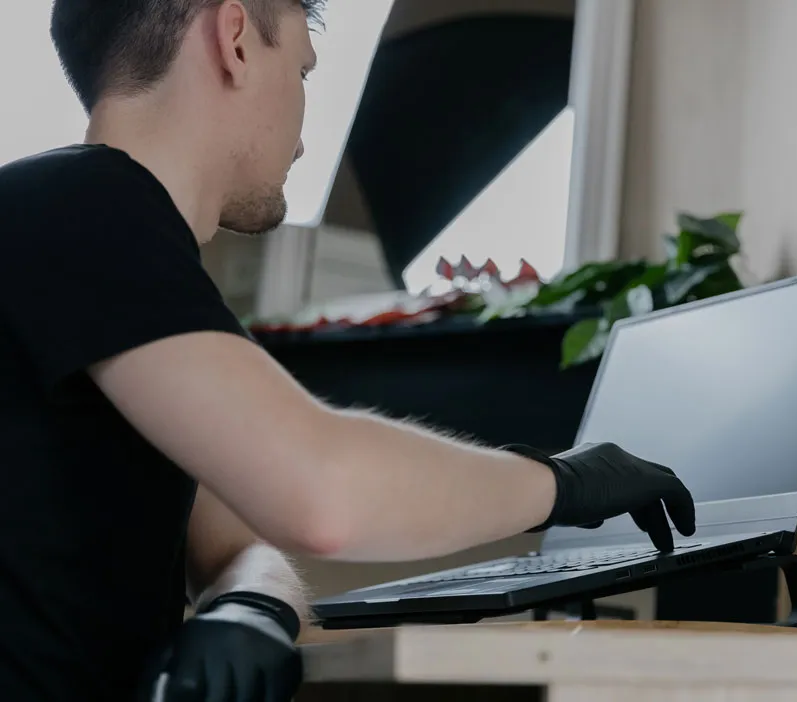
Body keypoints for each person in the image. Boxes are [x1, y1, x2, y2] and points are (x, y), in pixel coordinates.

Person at [0, 1, 696, 700]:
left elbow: (235, 539)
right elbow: (323, 495)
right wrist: (566, 484)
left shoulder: (88, 238)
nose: (303, 136)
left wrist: (252, 604)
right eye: (301, 69)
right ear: (236, 41)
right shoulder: (87, 207)